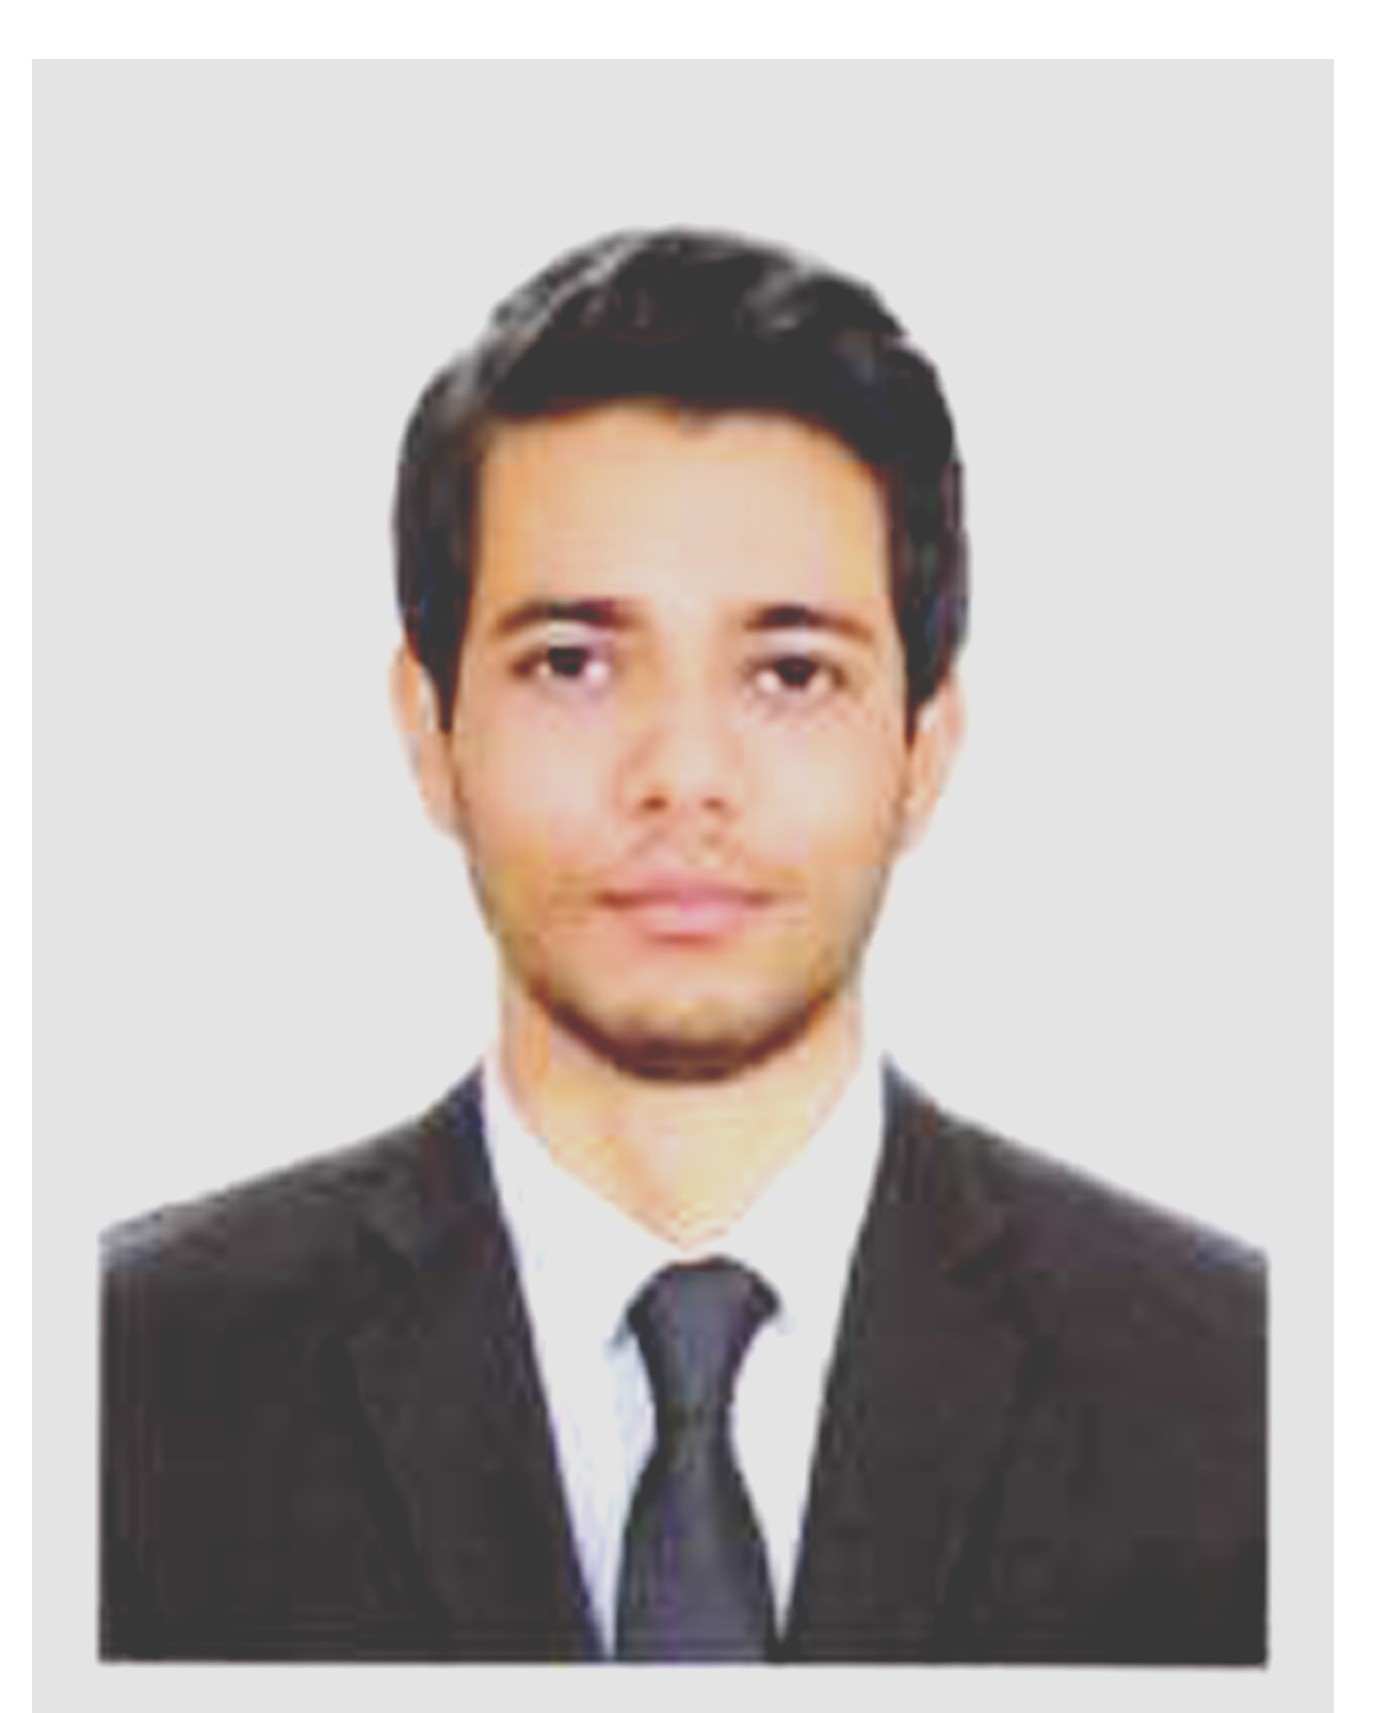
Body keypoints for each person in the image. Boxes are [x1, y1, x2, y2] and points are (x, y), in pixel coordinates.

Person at [100, 228, 1266, 1664]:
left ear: (925, 746)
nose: (684, 775)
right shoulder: (113, 1392)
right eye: (572, 663)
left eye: (791, 672)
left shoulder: (1254, 1406)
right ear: (429, 731)